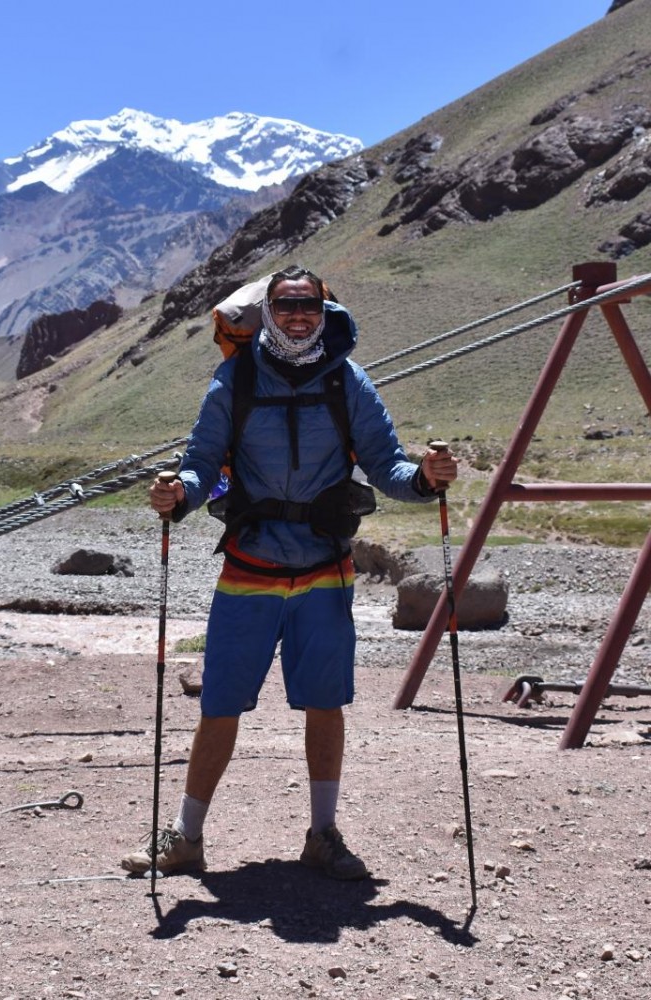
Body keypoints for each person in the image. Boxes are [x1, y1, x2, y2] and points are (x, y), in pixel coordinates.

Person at [121, 265, 458, 880]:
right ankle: (187, 837)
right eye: (287, 307)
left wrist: (423, 481)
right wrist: (179, 495)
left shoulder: (349, 380)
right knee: (220, 704)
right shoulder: (234, 379)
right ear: (268, 312)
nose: (299, 317)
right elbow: (201, 463)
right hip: (251, 564)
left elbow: (386, 463)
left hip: (325, 569)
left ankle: (323, 835)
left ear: (325, 312)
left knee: (325, 703)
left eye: (309, 307)